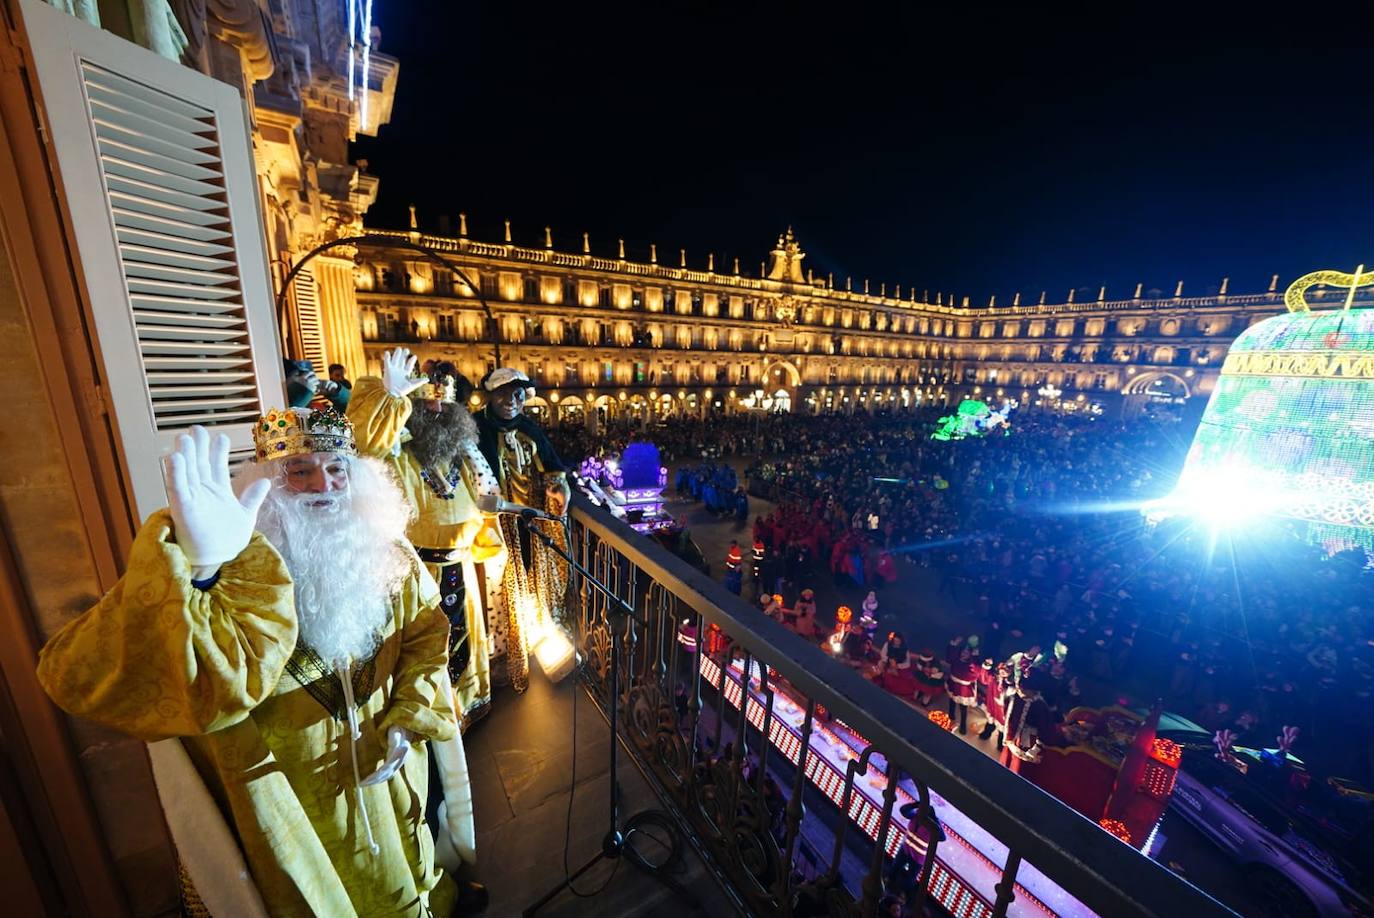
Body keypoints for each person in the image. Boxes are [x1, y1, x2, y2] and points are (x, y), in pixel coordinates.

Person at [37, 412, 484, 916]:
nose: (324, 486)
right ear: (266, 484)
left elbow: (425, 637)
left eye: (337, 468)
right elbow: (73, 676)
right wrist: (199, 571)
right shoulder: (227, 570)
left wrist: (408, 717)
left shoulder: (388, 551)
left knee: (409, 869)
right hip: (286, 796)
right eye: (300, 471)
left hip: (388, 765)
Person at [348, 347, 504, 728]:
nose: (437, 413)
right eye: (427, 406)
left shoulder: (462, 453)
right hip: (416, 576)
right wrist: (389, 398)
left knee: (464, 639)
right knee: (425, 648)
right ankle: (431, 713)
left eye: (444, 408)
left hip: (461, 568)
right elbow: (366, 445)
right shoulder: (396, 453)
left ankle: (467, 703)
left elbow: (487, 497)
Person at [473, 366, 572, 693]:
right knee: (498, 588)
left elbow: (552, 466)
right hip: (494, 524)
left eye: (517, 394)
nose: (511, 401)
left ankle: (533, 634)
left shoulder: (530, 428)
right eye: (503, 394)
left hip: (530, 522)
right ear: (491, 395)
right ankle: (503, 652)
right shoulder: (476, 428)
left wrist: (559, 486)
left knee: (533, 579)